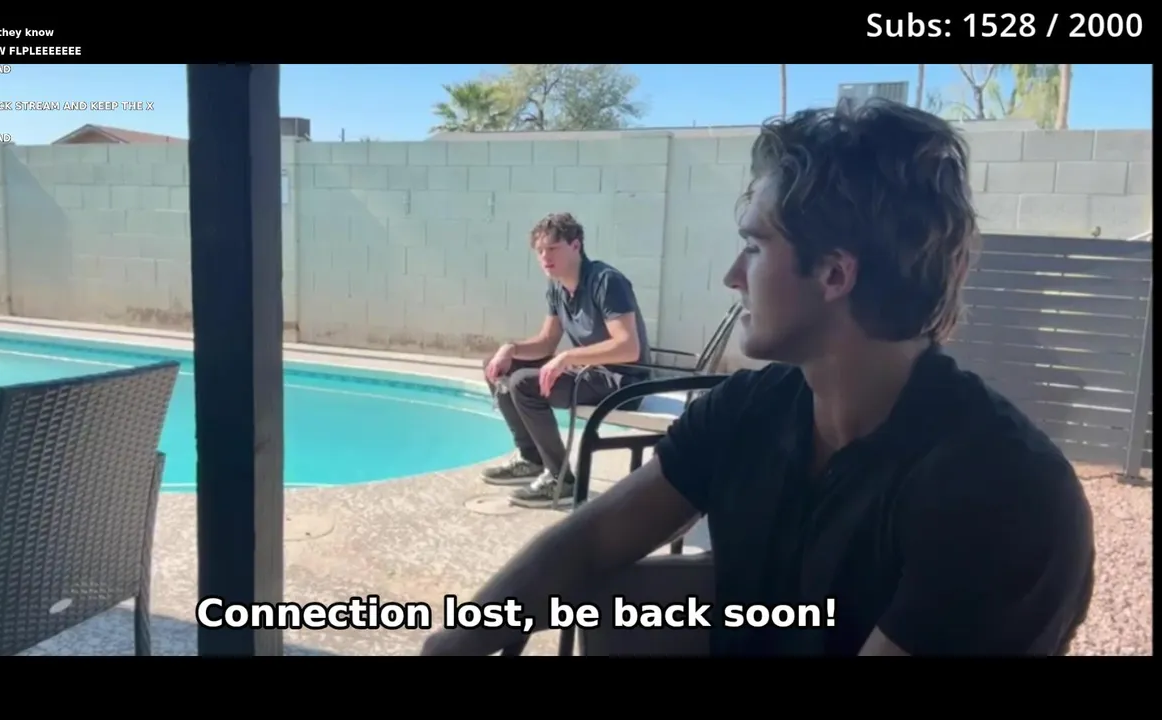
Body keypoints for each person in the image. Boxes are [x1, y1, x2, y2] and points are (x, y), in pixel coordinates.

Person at [423, 100, 1096, 656]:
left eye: (753, 246)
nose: (731, 276)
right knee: (611, 599)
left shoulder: (1003, 491)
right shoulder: (751, 410)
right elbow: (593, 540)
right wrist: (460, 637)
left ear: (834, 273)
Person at [480, 212, 652, 508]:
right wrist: (510, 348)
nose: (545, 257)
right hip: (591, 374)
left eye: (553, 248)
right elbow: (547, 341)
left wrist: (567, 357)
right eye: (540, 251)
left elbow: (628, 347)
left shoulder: (606, 281)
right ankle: (531, 458)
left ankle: (561, 480)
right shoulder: (557, 286)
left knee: (524, 384)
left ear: (576, 246)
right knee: (496, 366)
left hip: (623, 384)